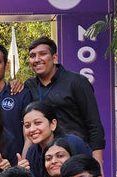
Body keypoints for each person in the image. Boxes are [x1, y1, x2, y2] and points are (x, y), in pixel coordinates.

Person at [22, 36, 105, 164]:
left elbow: (94, 126)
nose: (37, 59)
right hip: (45, 159)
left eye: (42, 54)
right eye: (32, 56)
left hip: (76, 156)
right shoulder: (29, 85)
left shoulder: (76, 82)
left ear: (54, 58)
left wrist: (97, 165)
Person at [20, 102, 91, 177]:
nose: (32, 129)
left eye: (38, 123)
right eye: (27, 126)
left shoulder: (74, 143)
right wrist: (23, 175)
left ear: (53, 124)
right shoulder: (32, 152)